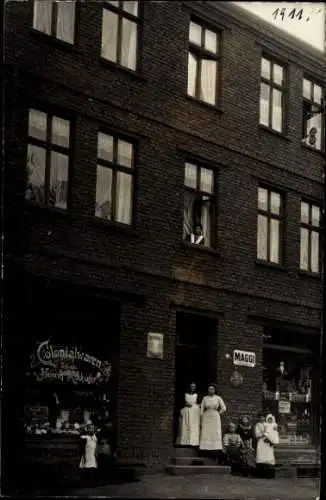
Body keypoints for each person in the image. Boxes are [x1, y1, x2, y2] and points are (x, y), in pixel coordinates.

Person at [199, 384, 226, 463]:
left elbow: (224, 408)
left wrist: (218, 412)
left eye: (212, 389)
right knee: (206, 433)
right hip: (206, 416)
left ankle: (215, 451)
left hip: (215, 416)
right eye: (209, 389)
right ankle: (205, 451)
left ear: (215, 390)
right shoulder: (205, 398)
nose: (211, 390)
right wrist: (201, 418)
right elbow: (201, 410)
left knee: (215, 433)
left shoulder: (218, 398)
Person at [255, 413, 279, 478]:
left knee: (269, 457)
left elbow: (273, 432)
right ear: (259, 418)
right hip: (261, 442)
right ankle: (261, 474)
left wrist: (272, 438)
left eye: (263, 417)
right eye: (261, 417)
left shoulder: (269, 423)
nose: (262, 418)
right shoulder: (258, 425)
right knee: (261, 456)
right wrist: (264, 434)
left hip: (269, 442)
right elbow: (257, 435)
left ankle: (269, 474)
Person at [177, 382, 201, 447]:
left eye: (193, 387)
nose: (192, 388)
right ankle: (185, 442)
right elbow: (180, 403)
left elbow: (201, 404)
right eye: (191, 386)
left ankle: (193, 443)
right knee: (185, 426)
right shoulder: (185, 394)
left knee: (193, 427)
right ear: (189, 387)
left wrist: (195, 406)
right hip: (186, 412)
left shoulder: (197, 395)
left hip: (194, 413)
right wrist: (185, 404)